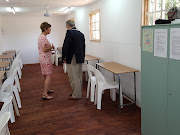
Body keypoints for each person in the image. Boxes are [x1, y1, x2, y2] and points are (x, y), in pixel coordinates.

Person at [62, 20, 85, 100]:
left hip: (72, 57)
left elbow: (66, 46)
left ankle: (76, 95)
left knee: (73, 76)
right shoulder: (81, 34)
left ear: (68, 26)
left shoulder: (69, 32)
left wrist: (64, 57)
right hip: (80, 57)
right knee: (79, 75)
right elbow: (83, 47)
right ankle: (78, 92)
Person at [38, 22, 55, 100]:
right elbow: (44, 49)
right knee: (48, 75)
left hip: (43, 58)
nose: (50, 30)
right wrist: (51, 47)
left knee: (45, 75)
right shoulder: (43, 38)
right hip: (45, 59)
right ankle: (44, 94)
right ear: (45, 29)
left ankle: (46, 89)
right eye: (49, 29)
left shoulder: (41, 36)